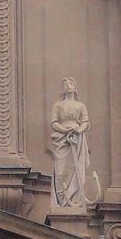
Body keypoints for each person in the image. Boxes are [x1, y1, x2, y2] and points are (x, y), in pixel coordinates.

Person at [49, 77, 95, 208]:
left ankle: (74, 199)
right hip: (62, 139)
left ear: (75, 87)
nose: (68, 86)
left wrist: (78, 131)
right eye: (65, 84)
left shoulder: (81, 106)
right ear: (62, 88)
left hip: (77, 139)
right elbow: (54, 122)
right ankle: (61, 200)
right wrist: (65, 131)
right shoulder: (57, 105)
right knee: (60, 171)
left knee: (76, 169)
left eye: (70, 83)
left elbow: (85, 122)